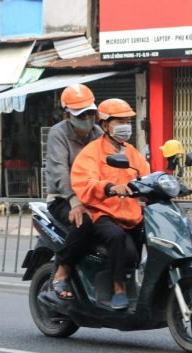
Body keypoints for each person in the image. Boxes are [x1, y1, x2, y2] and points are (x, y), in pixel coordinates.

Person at [71, 98, 150, 310]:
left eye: (128, 121)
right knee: (116, 238)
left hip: (130, 213)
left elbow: (146, 175)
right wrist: (109, 188)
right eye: (119, 121)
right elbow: (86, 182)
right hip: (102, 212)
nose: (126, 125)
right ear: (105, 125)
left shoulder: (131, 152)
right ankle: (118, 289)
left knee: (155, 233)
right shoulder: (92, 152)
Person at [42, 83, 103, 300]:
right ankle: (62, 272)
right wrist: (75, 201)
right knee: (83, 222)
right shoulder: (58, 134)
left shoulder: (98, 134)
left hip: (94, 197)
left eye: (90, 113)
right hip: (63, 198)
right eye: (81, 114)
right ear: (68, 115)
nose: (87, 118)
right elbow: (60, 171)